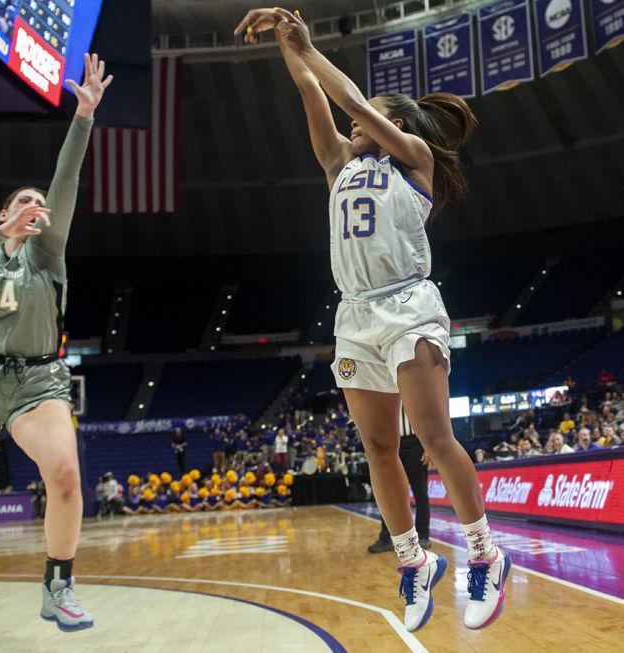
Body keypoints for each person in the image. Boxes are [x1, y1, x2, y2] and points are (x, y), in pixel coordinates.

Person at [235, 9, 509, 632]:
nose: (357, 121)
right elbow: (313, 92)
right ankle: (414, 564)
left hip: (409, 304)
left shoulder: (415, 160)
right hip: (355, 315)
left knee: (434, 439)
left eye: (374, 115)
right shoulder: (337, 166)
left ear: (396, 124)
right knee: (378, 447)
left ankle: (485, 553)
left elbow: (351, 100)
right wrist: (288, 45)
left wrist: (309, 43)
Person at [0, 53, 112, 632]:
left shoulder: (49, 254)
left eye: (39, 204)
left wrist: (84, 117)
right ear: (4, 214)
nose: (37, 207)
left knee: (66, 476)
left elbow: (64, 180)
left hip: (38, 380)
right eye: (26, 201)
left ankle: (57, 587)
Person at [368, 405, 431, 552]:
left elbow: (426, 411)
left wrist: (428, 446)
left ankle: (423, 535)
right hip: (389, 441)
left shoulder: (413, 382)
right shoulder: (381, 384)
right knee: (388, 494)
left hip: (415, 442)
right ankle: (387, 537)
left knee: (420, 491)